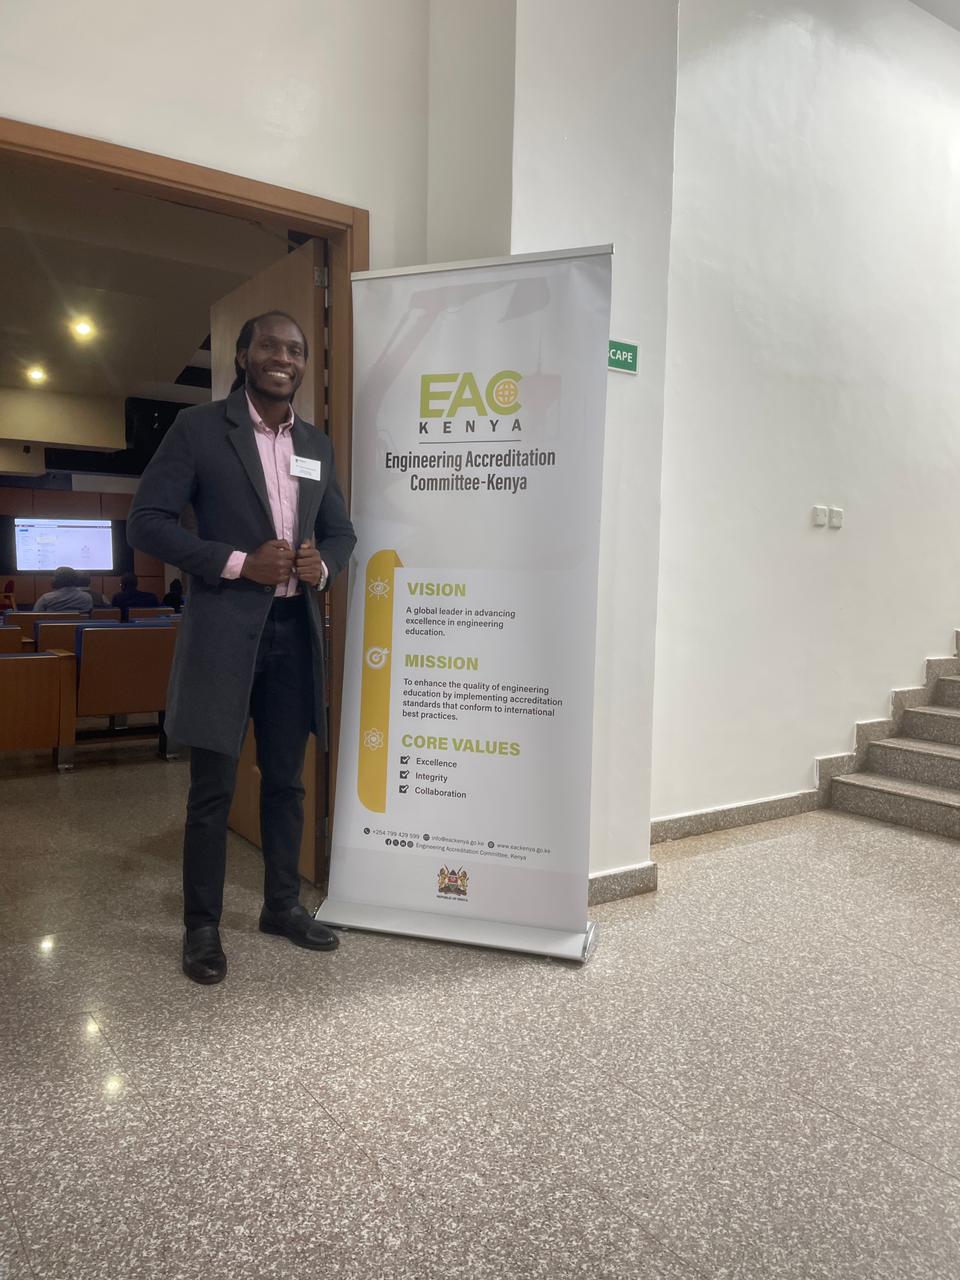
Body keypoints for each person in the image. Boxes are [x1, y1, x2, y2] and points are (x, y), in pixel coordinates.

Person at [127, 310, 356, 985]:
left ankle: (281, 906)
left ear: (304, 363)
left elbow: (341, 531)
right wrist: (236, 563)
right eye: (270, 346)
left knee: (287, 781)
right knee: (213, 790)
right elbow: (147, 523)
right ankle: (201, 926)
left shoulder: (315, 444)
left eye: (295, 349)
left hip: (294, 633)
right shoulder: (200, 429)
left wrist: (323, 565)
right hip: (223, 633)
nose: (283, 357)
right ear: (243, 355)